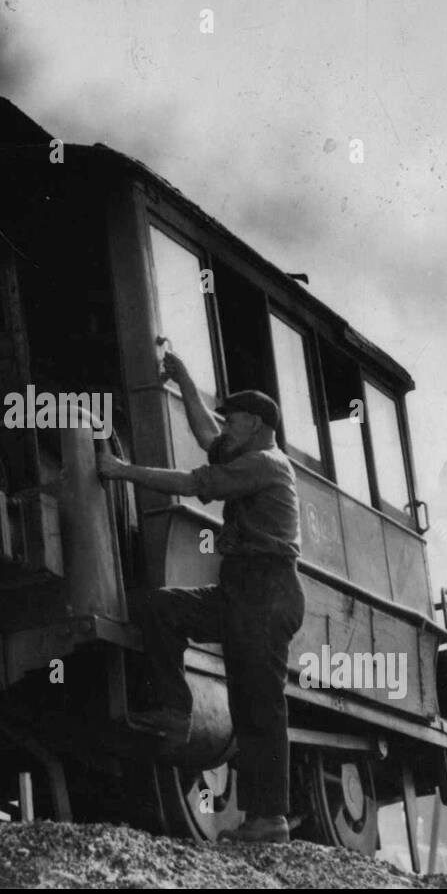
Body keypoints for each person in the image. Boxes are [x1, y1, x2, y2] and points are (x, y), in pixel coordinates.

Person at [96, 352, 304, 843]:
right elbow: (206, 435)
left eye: (232, 421)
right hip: (241, 589)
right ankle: (176, 710)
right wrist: (185, 378)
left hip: (267, 591)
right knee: (158, 607)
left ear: (253, 425)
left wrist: (121, 470)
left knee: (258, 704)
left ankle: (268, 818)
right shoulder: (250, 452)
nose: (222, 429)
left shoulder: (265, 466)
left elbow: (192, 483)